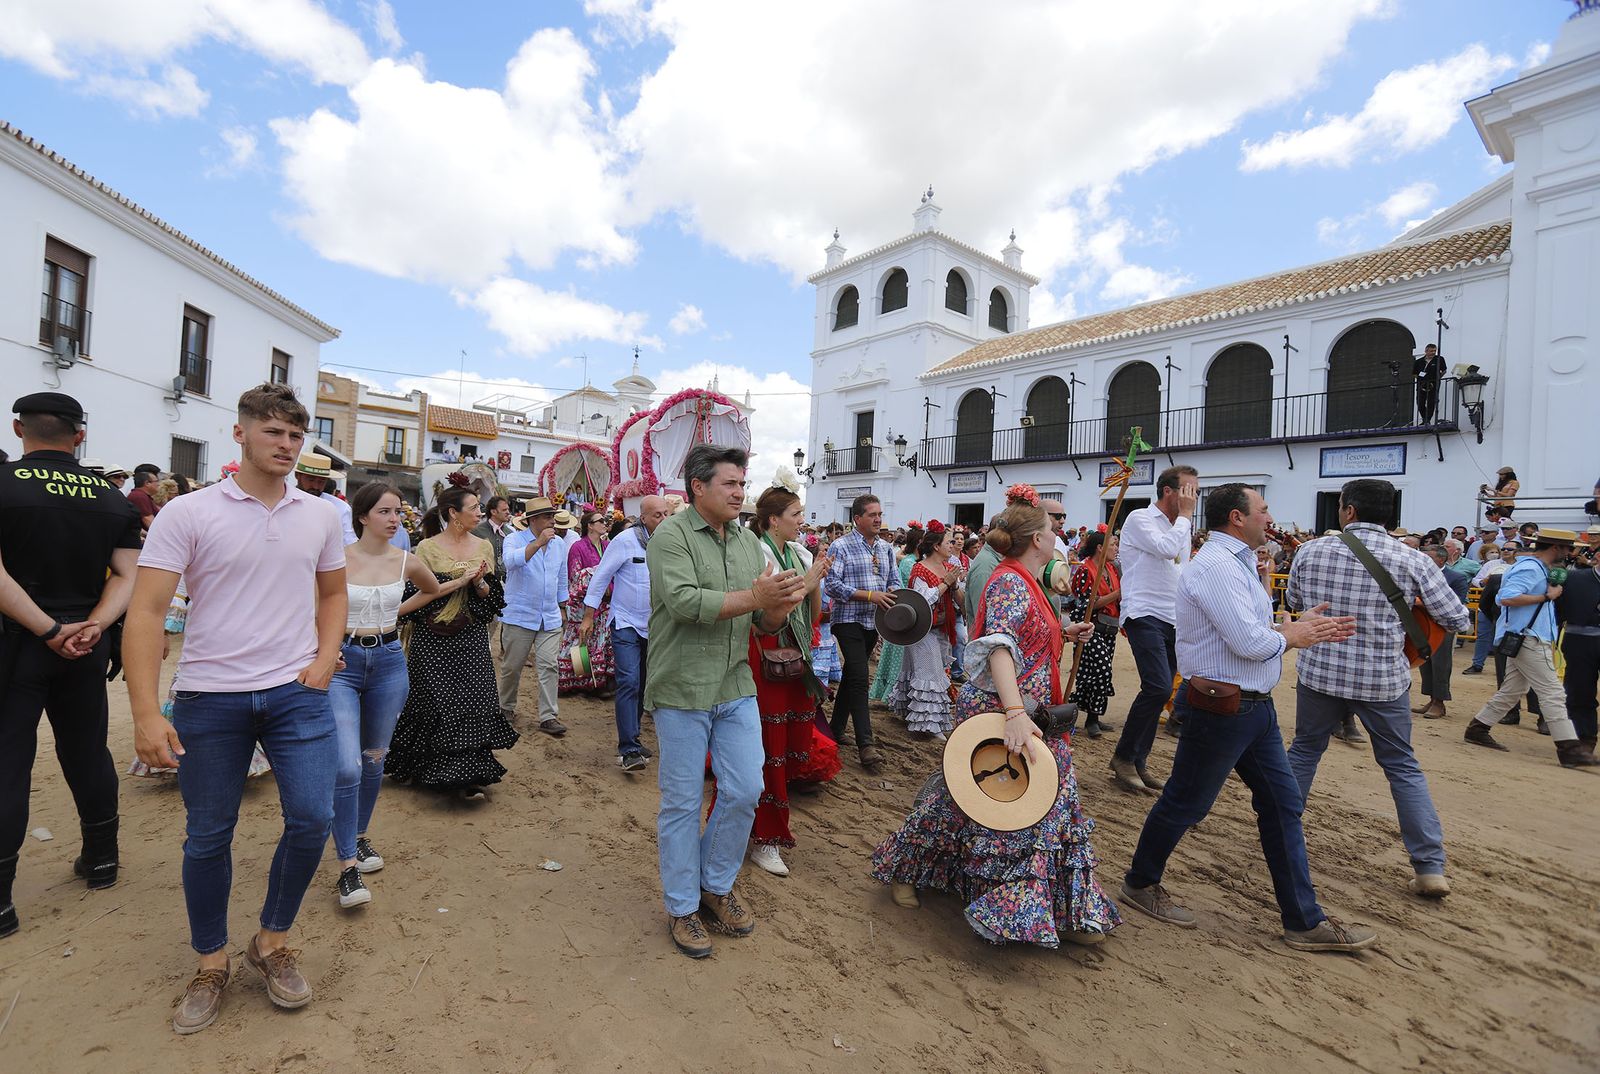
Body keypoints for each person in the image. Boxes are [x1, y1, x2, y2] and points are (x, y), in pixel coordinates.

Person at [125, 383, 347, 1034]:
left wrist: (327, 655)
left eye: (295, 435)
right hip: (209, 696)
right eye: (273, 432)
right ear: (241, 433)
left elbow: (332, 594)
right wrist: (145, 712)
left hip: (294, 693)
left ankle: (270, 943)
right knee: (208, 833)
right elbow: (143, 613)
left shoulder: (319, 515)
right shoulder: (188, 514)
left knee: (312, 817)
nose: (285, 445)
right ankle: (211, 962)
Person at [1120, 484, 1376, 952]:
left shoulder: (1235, 563)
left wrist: (1288, 627)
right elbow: (1250, 644)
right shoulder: (1217, 566)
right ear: (1237, 518)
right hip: (1223, 708)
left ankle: (1303, 921)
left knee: (1282, 806)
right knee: (1185, 804)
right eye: (1262, 509)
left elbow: (1252, 634)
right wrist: (1292, 635)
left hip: (1253, 707)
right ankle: (1139, 882)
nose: (1269, 516)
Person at [871, 489, 1119, 947]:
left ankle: (1056, 909)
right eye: (1051, 527)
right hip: (1006, 714)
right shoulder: (1009, 580)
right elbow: (999, 646)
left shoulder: (1027, 579)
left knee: (1038, 803)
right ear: (1036, 539)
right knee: (971, 798)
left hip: (1033, 715)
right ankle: (911, 870)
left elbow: (1020, 635)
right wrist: (1015, 713)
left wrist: (1062, 631)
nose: (1058, 532)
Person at [647, 445, 805, 958]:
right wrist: (759, 599)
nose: (742, 493)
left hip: (735, 684)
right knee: (682, 801)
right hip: (682, 688)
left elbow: (761, 624)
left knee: (744, 788)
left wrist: (779, 607)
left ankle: (714, 886)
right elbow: (686, 603)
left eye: (743, 483)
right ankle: (681, 906)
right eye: (731, 484)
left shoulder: (746, 543)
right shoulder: (670, 536)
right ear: (698, 487)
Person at [1284, 479, 1468, 898]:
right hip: (1383, 681)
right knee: (1402, 766)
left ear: (1348, 510)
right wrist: (1413, 607)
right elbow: (1458, 619)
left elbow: (1296, 600)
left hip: (1320, 673)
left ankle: (1279, 839)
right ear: (1389, 515)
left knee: (1304, 753)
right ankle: (1429, 867)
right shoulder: (1414, 560)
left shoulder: (1311, 551)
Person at [0, 392, 140, 941]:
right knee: (87, 748)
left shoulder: (4, 485)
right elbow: (127, 576)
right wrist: (93, 626)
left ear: (19, 429)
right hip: (87, 644)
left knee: (9, 759)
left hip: (17, 641)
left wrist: (47, 629)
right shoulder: (111, 498)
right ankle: (101, 859)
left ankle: (2, 903)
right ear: (79, 436)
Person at [327, 482, 457, 909]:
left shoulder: (407, 560)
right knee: (346, 765)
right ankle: (347, 866)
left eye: (398, 512)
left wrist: (393, 613)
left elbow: (432, 589)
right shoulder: (336, 560)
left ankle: (358, 838)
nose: (395, 519)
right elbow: (315, 606)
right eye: (385, 512)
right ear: (362, 516)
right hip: (342, 664)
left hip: (388, 662)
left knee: (373, 759)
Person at [385, 482, 517, 797]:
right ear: (453, 513)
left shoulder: (484, 545)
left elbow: (489, 598)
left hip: (470, 635)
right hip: (433, 638)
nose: (478, 512)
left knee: (474, 700)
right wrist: (457, 581)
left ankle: (466, 775)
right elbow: (416, 597)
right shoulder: (428, 548)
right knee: (434, 702)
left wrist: (481, 583)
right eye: (472, 507)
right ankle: (427, 769)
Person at [746, 484, 833, 877]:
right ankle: (764, 838)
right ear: (773, 521)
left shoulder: (797, 552)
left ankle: (760, 830)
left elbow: (814, 612)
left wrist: (815, 579)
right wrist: (810, 579)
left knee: (786, 753)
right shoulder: (759, 553)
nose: (802, 520)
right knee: (769, 753)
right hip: (767, 659)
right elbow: (774, 607)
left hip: (796, 658)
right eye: (796, 514)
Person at [1463, 528, 1600, 766]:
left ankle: (1478, 727)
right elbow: (1506, 597)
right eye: (1568, 548)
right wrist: (1547, 597)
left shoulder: (1532, 567)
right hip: (1528, 637)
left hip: (1525, 635)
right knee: (1553, 693)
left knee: (1512, 690)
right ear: (1556, 547)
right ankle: (1569, 748)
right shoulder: (1531, 568)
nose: (1570, 553)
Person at [1110, 465, 1198, 793]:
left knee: (1161, 692)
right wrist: (1186, 518)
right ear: (1168, 492)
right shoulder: (1139, 519)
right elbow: (1167, 549)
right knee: (1159, 687)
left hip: (1174, 617)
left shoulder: (1181, 525)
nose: (1194, 498)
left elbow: (1182, 568)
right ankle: (1123, 757)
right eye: (1189, 491)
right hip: (1143, 612)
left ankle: (1137, 761)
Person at [581, 496, 670, 772]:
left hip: (655, 625)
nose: (664, 520)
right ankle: (628, 749)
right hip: (625, 623)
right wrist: (587, 617)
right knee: (629, 681)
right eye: (658, 515)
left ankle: (633, 737)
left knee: (644, 685)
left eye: (667, 514)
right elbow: (601, 578)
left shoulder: (670, 543)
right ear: (643, 517)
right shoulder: (624, 541)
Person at [824, 495, 897, 772]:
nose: (878, 519)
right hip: (848, 620)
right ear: (857, 519)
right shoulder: (840, 546)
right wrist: (869, 596)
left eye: (880, 514)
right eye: (872, 515)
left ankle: (835, 728)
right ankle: (866, 743)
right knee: (860, 676)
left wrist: (889, 595)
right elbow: (832, 585)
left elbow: (894, 582)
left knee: (853, 677)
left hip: (872, 623)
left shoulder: (887, 548)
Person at [499, 498, 568, 737]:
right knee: (512, 666)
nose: (552, 520)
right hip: (520, 615)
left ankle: (548, 716)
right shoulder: (513, 539)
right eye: (548, 516)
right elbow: (509, 562)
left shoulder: (559, 543)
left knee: (549, 665)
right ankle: (505, 708)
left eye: (552, 515)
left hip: (549, 616)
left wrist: (563, 605)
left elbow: (562, 575)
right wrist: (537, 544)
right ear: (533, 520)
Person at [889, 520, 962, 739]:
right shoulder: (919, 568)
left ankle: (927, 718)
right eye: (949, 542)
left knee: (933, 673)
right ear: (937, 546)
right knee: (930, 674)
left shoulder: (949, 568)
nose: (953, 545)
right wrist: (945, 583)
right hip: (922, 630)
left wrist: (955, 584)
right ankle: (928, 726)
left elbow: (960, 602)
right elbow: (922, 600)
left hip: (942, 628)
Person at [1066, 528, 1121, 738]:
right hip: (1090, 628)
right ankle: (1086, 715)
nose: (1116, 548)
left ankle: (1093, 716)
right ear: (1100, 547)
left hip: (1109, 627)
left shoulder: (1112, 569)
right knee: (1101, 669)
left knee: (1096, 673)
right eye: (1113, 544)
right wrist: (1118, 593)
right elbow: (1087, 604)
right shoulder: (1085, 570)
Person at [559, 509, 613, 696]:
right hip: (581, 602)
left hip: (604, 602)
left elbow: (613, 572)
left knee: (599, 640)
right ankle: (573, 681)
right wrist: (595, 574)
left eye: (605, 520)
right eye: (600, 520)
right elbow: (575, 576)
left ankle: (595, 683)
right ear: (590, 525)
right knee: (578, 639)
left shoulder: (607, 545)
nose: (605, 523)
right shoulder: (578, 547)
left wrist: (606, 583)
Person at [1416, 544, 1471, 720]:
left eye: (1429, 557)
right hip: (1423, 623)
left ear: (1441, 559)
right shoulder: (1419, 574)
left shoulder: (1456, 577)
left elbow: (1457, 603)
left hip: (1444, 626)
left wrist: (1423, 604)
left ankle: (1439, 701)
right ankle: (1432, 698)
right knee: (1425, 662)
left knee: (1441, 663)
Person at [868, 524, 920, 705]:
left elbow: (894, 580)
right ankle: (891, 694)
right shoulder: (908, 563)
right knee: (895, 659)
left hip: (903, 610)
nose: (884, 536)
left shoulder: (892, 553)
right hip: (900, 611)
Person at [1557, 553, 1600, 751]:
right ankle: (1584, 737)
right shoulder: (1573, 579)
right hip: (1580, 641)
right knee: (1579, 691)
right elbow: (1556, 610)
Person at [293, 452, 358, 546]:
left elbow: (348, 543)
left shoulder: (340, 508)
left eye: (321, 481)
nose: (315, 486)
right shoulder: (281, 501)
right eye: (311, 480)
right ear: (297, 476)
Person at [473, 496, 512, 580]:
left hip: (507, 580)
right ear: (493, 512)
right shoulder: (476, 531)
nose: (508, 512)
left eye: (508, 509)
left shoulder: (510, 533)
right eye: (504, 510)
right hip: (485, 580)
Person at [1413, 343, 1446, 424]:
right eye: (1431, 351)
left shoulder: (1439, 359)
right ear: (1426, 351)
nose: (1433, 353)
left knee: (1431, 402)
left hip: (1433, 384)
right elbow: (1414, 373)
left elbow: (1444, 370)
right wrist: (1421, 379)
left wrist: (1438, 378)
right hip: (1421, 385)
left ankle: (1427, 420)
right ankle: (1425, 418)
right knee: (1420, 403)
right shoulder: (1418, 361)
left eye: (1434, 351)